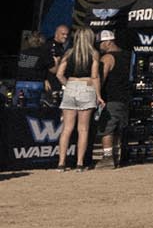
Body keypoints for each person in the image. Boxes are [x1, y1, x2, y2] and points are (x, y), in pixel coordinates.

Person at [54, 26, 100, 171]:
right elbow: (94, 76)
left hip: (71, 86)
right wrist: (98, 95)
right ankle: (79, 163)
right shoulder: (94, 54)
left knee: (66, 128)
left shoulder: (69, 53)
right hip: (86, 87)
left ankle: (61, 162)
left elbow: (59, 74)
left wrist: (68, 85)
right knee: (83, 129)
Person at [97, 28, 133, 168]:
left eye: (100, 43)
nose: (99, 46)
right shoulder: (129, 56)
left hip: (111, 97)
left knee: (107, 128)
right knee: (118, 128)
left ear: (108, 42)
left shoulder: (107, 58)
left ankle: (107, 158)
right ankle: (116, 156)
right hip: (125, 97)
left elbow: (101, 78)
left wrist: (96, 93)